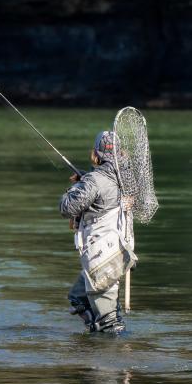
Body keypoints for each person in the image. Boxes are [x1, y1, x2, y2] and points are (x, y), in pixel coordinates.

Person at [60, 130, 137, 334]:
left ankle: (115, 358)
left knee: (109, 322)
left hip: (102, 257)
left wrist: (78, 187)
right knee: (78, 297)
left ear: (96, 154)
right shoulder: (127, 178)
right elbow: (108, 192)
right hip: (120, 252)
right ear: (120, 153)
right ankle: (93, 347)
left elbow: (66, 207)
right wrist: (85, 180)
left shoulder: (94, 181)